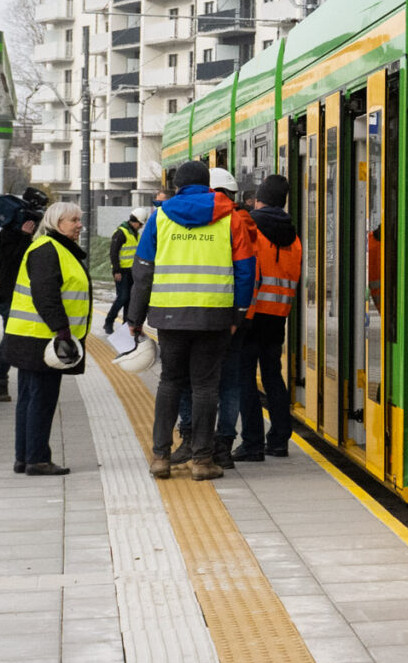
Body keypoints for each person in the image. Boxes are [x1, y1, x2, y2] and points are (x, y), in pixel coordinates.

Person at [127, 161, 252, 479]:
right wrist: (238, 313)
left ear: (178, 186)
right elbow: (245, 269)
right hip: (214, 315)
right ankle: (201, 461)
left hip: (169, 314)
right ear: (207, 185)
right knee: (206, 387)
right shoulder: (230, 218)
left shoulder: (160, 217)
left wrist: (135, 317)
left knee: (170, 382)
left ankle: (160, 458)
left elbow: (143, 270)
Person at [1, 200, 88, 476]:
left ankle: (25, 457)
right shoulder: (48, 250)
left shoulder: (52, 248)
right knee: (41, 399)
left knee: (29, 397)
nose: (79, 225)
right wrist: (62, 331)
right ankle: (37, 458)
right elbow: (45, 294)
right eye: (74, 220)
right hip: (42, 338)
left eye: (79, 220)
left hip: (34, 336)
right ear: (56, 223)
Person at [236, 173, 302, 461]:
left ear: (259, 199)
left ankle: (252, 443)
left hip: (251, 316)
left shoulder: (250, 227)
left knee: (245, 379)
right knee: (273, 376)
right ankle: (279, 440)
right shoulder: (294, 236)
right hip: (277, 316)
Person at [0, 188, 43, 401]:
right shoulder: (8, 237)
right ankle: (0, 382)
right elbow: (11, 264)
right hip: (10, 297)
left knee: (24, 339)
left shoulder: (21, 236)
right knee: (11, 339)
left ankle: (21, 381)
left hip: (24, 297)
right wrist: (24, 237)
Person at [101, 208, 143, 335]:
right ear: (135, 222)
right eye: (140, 224)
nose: (140, 227)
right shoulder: (121, 233)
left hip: (133, 271)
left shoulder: (135, 234)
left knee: (130, 299)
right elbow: (113, 253)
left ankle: (126, 325)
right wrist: (116, 270)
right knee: (123, 297)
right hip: (122, 272)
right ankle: (109, 322)